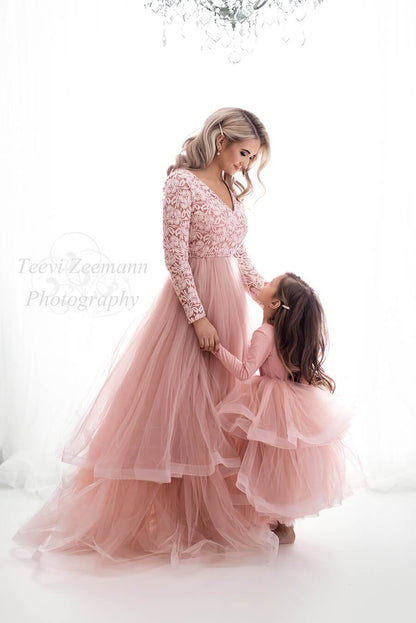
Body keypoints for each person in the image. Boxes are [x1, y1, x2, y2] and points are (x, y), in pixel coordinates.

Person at [12, 108, 282, 568]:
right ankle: (168, 517)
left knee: (216, 412)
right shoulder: (182, 183)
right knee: (178, 410)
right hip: (191, 312)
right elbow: (175, 256)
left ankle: (205, 516)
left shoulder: (233, 193)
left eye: (252, 159)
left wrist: (270, 299)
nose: (246, 166)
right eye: (243, 154)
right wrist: (197, 317)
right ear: (221, 140)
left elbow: (241, 257)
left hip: (229, 311)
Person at [211, 272, 369, 545]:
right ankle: (283, 524)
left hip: (268, 404)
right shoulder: (286, 335)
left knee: (263, 460)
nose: (264, 283)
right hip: (289, 403)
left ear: (274, 304)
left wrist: (216, 348)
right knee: (281, 462)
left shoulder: (264, 333)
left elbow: (245, 371)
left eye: (270, 284)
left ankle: (273, 522)